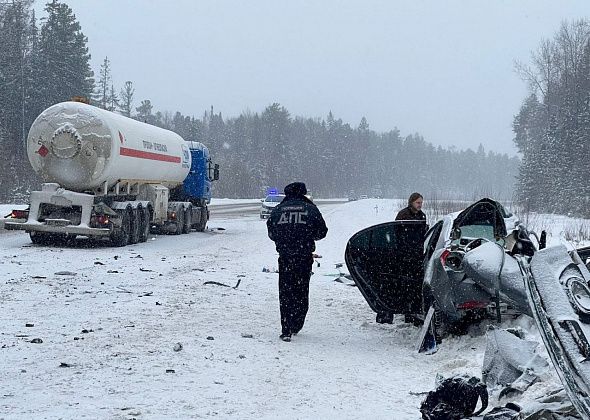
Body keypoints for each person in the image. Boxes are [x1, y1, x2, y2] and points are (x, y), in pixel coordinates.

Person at [267, 182, 328, 342]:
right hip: (303, 256)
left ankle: (286, 328)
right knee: (301, 290)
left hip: (285, 256)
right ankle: (297, 322)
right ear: (303, 192)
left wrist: (284, 240)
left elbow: (271, 232)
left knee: (285, 291)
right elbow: (322, 232)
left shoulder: (279, 209)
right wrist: (307, 236)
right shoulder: (310, 209)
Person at [376, 192, 427, 324]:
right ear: (411, 202)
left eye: (421, 202)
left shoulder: (422, 216)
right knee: (402, 284)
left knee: (414, 285)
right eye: (418, 202)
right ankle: (398, 311)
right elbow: (397, 233)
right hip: (403, 255)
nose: (420, 205)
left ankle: (411, 313)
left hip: (416, 255)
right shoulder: (403, 215)